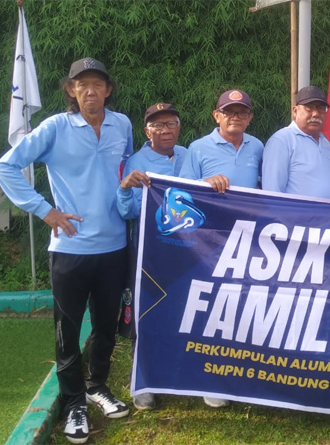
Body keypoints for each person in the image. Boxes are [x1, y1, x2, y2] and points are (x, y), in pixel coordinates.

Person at [0, 57, 132, 444]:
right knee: (67, 332)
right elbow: (6, 167)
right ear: (71, 90)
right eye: (81, 84)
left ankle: (97, 386)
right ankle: (74, 403)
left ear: (108, 89)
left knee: (105, 328)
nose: (90, 91)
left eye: (97, 84)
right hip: (70, 249)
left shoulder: (122, 125)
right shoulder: (55, 127)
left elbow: (127, 173)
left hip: (115, 246)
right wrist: (44, 210)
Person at [116, 102, 187, 411]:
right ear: (146, 131)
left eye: (170, 123)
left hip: (187, 249)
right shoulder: (136, 161)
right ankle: (143, 380)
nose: (165, 130)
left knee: (186, 310)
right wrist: (125, 188)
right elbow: (127, 210)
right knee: (147, 311)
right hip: (150, 250)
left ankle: (186, 375)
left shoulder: (189, 155)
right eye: (157, 125)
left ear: (179, 127)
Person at [262, 86, 330, 208]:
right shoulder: (282, 140)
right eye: (309, 107)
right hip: (296, 223)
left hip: (328, 222)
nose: (316, 113)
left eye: (321, 108)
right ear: (295, 110)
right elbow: (272, 194)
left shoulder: (326, 143)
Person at [179, 89, 264, 191]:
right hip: (210, 207)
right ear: (216, 116)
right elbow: (183, 187)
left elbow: (264, 182)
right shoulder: (198, 148)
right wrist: (206, 182)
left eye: (242, 113)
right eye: (228, 112)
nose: (235, 118)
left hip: (249, 207)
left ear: (249, 118)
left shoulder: (257, 146)